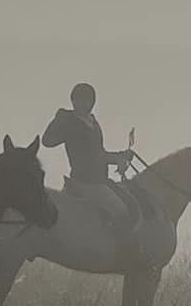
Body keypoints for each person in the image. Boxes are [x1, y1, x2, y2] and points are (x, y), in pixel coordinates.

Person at [42, 82, 141, 265]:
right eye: (78, 100)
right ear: (73, 101)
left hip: (99, 179)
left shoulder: (93, 123)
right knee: (120, 211)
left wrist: (121, 156)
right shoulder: (70, 122)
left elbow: (98, 153)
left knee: (131, 203)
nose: (82, 103)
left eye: (86, 100)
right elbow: (47, 141)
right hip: (85, 182)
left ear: (92, 101)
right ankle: (118, 253)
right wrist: (58, 119)